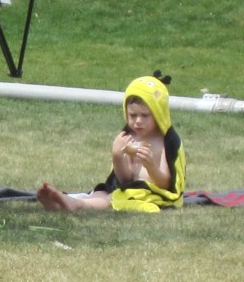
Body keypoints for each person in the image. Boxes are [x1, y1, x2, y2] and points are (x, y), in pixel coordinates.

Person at [37, 73, 186, 213]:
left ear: (159, 113)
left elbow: (166, 185)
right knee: (102, 192)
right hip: (128, 189)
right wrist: (117, 156)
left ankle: (77, 204)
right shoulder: (130, 137)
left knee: (113, 198)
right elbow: (124, 179)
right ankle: (63, 202)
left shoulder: (165, 141)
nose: (138, 121)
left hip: (152, 194)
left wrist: (151, 166)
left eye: (145, 116)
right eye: (133, 115)